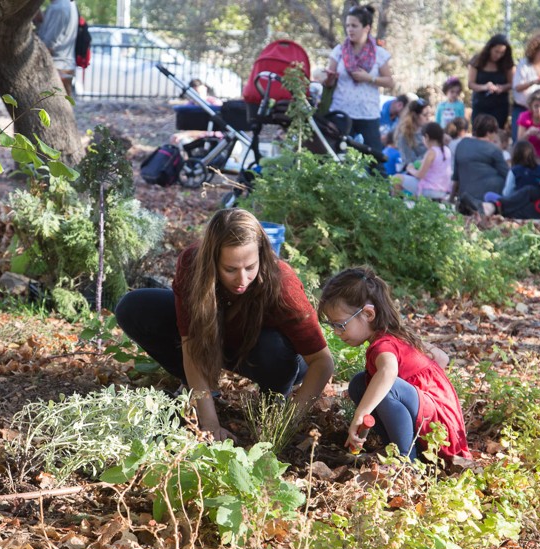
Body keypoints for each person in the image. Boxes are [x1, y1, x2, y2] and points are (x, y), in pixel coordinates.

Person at [114, 209, 335, 442]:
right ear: (212, 260)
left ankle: (273, 399)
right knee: (135, 307)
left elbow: (322, 361)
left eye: (250, 267)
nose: (242, 280)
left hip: (273, 356)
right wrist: (210, 425)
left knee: (273, 346)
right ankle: (200, 389)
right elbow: (190, 346)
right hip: (220, 340)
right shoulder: (193, 265)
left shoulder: (283, 284)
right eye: (230, 269)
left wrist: (287, 422)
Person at [318, 267, 471, 461]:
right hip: (439, 425)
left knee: (386, 386)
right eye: (331, 325)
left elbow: (388, 372)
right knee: (360, 383)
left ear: (368, 314)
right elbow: (442, 358)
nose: (336, 332)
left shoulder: (384, 345)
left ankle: (406, 462)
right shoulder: (398, 336)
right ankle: (398, 448)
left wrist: (361, 414)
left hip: (441, 432)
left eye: (339, 324)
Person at [326, 4, 395, 158]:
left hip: (368, 113)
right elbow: (328, 81)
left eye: (354, 26)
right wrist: (328, 79)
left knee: (375, 159)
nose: (350, 29)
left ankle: (380, 183)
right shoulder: (339, 51)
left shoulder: (379, 53)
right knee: (337, 157)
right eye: (348, 25)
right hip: (341, 112)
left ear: (366, 28)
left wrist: (369, 78)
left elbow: (390, 82)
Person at [451, 114, 509, 213]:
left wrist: (451, 198)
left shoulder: (461, 145)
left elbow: (456, 178)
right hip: (486, 203)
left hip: (464, 198)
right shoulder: (494, 150)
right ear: (490, 133)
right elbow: (508, 175)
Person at [511, 32, 540, 142]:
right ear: (535, 50)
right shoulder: (524, 64)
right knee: (519, 141)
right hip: (523, 108)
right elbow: (517, 87)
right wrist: (534, 82)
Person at [468, 34, 514, 129]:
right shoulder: (477, 61)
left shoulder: (507, 63)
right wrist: (484, 87)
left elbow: (512, 83)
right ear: (490, 48)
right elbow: (470, 84)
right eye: (496, 51)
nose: (498, 55)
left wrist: (501, 88)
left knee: (496, 132)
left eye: (502, 53)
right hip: (480, 104)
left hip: (500, 106)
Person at [400, 122, 452, 201]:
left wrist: (410, 169)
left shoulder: (431, 152)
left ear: (426, 137)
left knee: (396, 179)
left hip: (430, 190)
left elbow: (420, 175)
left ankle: (395, 208)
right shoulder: (446, 150)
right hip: (443, 191)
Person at [37, 0, 79, 97]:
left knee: (54, 107)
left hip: (57, 67)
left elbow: (49, 43)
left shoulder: (59, 8)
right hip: (64, 65)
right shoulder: (68, 4)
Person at [395, 98, 433, 167]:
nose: (428, 118)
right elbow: (409, 162)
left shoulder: (429, 131)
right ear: (415, 115)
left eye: (429, 115)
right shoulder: (405, 136)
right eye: (425, 115)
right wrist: (430, 154)